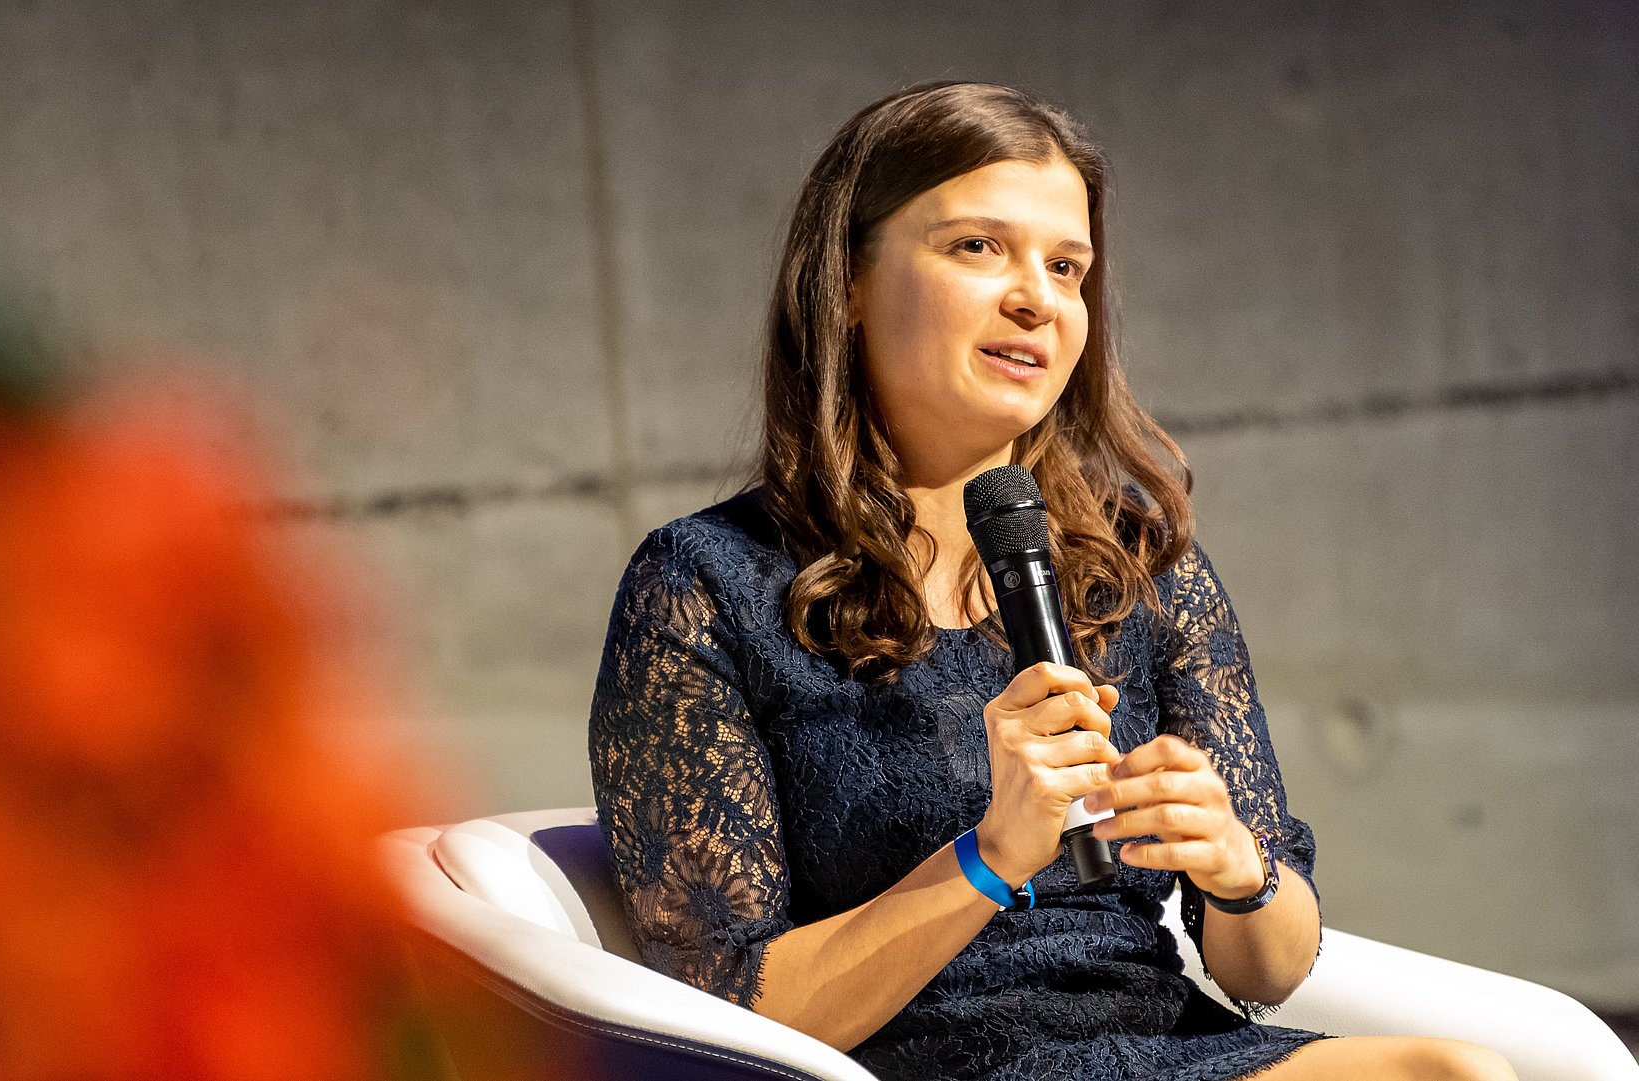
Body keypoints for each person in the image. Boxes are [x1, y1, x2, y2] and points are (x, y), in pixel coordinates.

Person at [588, 82, 1515, 1081]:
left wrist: (1237, 870)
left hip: (1169, 1047)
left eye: (1066, 266)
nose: (1036, 295)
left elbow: (1275, 966)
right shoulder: (707, 585)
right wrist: (992, 855)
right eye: (978, 247)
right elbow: (716, 1012)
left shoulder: (1136, 566)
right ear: (848, 284)